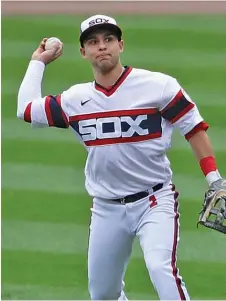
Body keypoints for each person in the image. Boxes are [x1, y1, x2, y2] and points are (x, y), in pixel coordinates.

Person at [17, 14, 225, 300]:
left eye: (108, 40)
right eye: (93, 42)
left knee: (160, 268)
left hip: (155, 201)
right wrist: (38, 62)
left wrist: (214, 178)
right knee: (103, 294)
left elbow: (194, 128)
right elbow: (26, 109)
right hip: (106, 208)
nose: (102, 46)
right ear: (83, 52)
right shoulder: (75, 99)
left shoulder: (157, 86)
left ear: (120, 45)